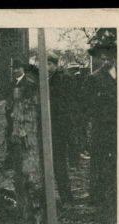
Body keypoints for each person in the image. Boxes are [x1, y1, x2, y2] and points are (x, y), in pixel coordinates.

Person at [86, 33, 117, 208]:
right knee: (99, 160)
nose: (106, 61)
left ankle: (115, 193)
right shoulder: (94, 78)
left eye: (109, 58)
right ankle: (97, 196)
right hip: (101, 126)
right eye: (102, 58)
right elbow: (88, 104)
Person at [47, 53, 74, 203]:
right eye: (44, 64)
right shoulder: (46, 79)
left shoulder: (64, 78)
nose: (47, 67)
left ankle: (67, 197)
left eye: (50, 64)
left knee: (59, 163)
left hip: (59, 126)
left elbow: (67, 103)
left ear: (56, 65)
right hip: (49, 125)